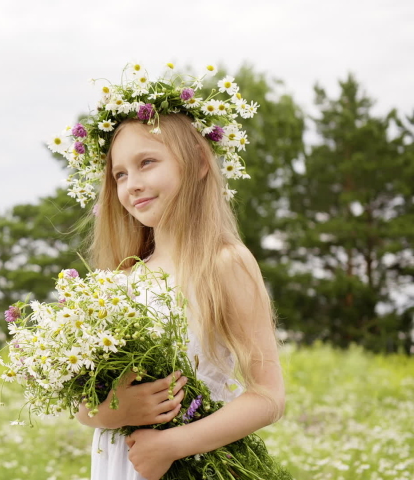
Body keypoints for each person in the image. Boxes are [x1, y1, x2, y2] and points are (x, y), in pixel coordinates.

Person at [57, 65, 286, 480]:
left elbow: (268, 395)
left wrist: (171, 444)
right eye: (120, 174)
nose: (132, 185)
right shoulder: (120, 281)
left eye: (147, 162)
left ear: (199, 162)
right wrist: (113, 411)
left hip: (191, 463)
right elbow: (85, 407)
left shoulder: (223, 263)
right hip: (121, 466)